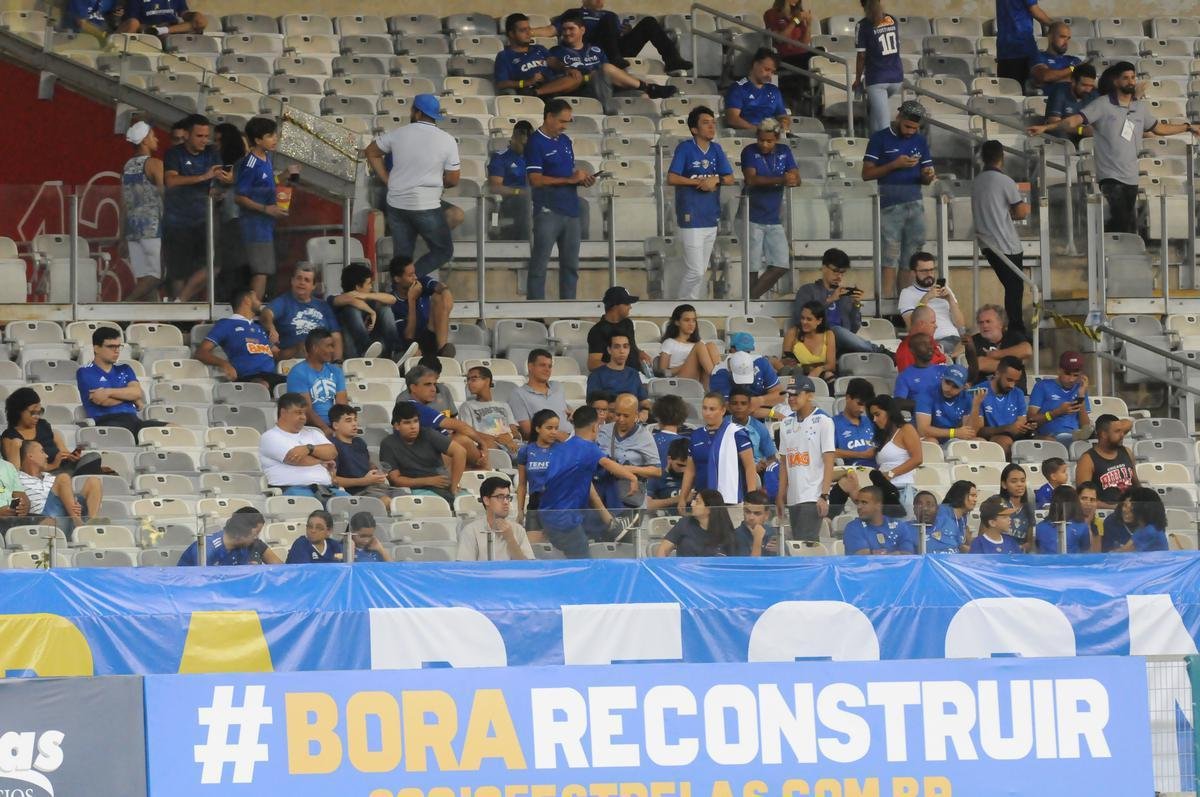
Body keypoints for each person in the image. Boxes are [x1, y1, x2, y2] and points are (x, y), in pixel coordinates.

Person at [1029, 62, 1200, 234]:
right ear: (1116, 81)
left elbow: (1159, 128)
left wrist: (1187, 127)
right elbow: (1073, 121)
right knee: (1122, 220)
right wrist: (1046, 128)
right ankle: (1106, 250)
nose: (1131, 81)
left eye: (1133, 77)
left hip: (1131, 176)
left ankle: (1108, 248)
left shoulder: (1139, 107)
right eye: (1125, 78)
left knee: (1127, 224)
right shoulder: (1102, 104)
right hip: (1110, 176)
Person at [366, 94, 459, 276]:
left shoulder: (399, 134)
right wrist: (439, 183)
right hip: (426, 205)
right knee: (443, 251)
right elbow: (453, 179)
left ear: (417, 113)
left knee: (402, 258)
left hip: (396, 204)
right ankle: (411, 279)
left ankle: (399, 292)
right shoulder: (447, 139)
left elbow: (371, 151)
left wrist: (387, 178)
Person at [539, 406, 640, 557]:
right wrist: (632, 477)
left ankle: (613, 525)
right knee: (582, 561)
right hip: (565, 519)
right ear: (595, 427)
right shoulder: (588, 448)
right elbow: (608, 464)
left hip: (547, 514)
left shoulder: (561, 448)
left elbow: (588, 487)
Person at [863, 103, 935, 298]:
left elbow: (926, 177)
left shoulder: (920, 141)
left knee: (910, 258)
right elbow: (866, 173)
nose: (910, 132)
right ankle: (886, 306)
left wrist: (928, 175)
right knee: (890, 256)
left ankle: (905, 304)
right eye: (907, 127)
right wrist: (894, 164)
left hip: (915, 202)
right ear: (898, 118)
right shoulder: (880, 138)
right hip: (889, 204)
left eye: (914, 128)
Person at [524, 98, 592, 301]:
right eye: (562, 121)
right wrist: (569, 179)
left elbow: (566, 173)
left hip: (571, 210)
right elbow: (535, 179)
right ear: (549, 117)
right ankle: (535, 312)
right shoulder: (535, 142)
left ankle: (569, 310)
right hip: (548, 210)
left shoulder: (565, 141)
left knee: (571, 265)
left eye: (568, 122)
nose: (564, 126)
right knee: (540, 263)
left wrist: (581, 180)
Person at [668, 106, 735, 300]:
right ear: (694, 129)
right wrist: (698, 182)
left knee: (701, 270)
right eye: (706, 123)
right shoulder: (685, 148)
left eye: (713, 122)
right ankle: (681, 305)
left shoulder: (716, 149)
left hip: (711, 216)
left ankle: (692, 304)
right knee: (696, 270)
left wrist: (716, 179)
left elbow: (729, 178)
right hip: (691, 215)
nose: (712, 126)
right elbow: (672, 178)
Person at [163, 114, 232, 301]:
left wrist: (224, 185)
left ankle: (180, 303)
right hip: (178, 220)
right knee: (179, 272)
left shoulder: (212, 153)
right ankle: (178, 317)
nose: (204, 140)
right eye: (199, 136)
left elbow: (218, 180)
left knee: (214, 265)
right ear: (187, 135)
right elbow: (170, 181)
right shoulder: (174, 154)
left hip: (204, 218)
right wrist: (203, 177)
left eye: (206, 136)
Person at [548, 11, 676, 107]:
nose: (567, 33)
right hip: (583, 91)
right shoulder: (556, 51)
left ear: (582, 30)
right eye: (564, 29)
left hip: (608, 89)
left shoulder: (596, 50)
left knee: (642, 97)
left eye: (571, 29)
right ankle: (649, 87)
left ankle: (646, 92)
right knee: (606, 68)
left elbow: (612, 76)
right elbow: (560, 79)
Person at [539, 0, 692, 73]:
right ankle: (614, 58)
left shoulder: (610, 15)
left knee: (649, 22)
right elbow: (551, 30)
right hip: (594, 51)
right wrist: (529, 31)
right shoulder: (574, 14)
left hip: (618, 50)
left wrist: (626, 33)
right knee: (608, 19)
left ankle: (672, 60)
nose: (600, 0)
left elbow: (615, 34)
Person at [972, 143, 1031, 334]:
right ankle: (1016, 330)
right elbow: (1021, 212)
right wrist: (1014, 213)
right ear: (1001, 157)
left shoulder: (977, 181)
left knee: (1011, 288)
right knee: (1015, 289)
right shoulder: (1005, 181)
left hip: (986, 243)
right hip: (1006, 244)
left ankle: (1014, 328)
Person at [741, 118, 799, 298]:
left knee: (781, 264)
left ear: (777, 139)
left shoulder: (785, 151)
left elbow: (796, 178)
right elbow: (751, 179)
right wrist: (782, 179)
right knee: (752, 266)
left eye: (769, 141)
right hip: (751, 216)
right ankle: (749, 305)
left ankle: (750, 299)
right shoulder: (749, 151)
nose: (764, 144)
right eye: (761, 140)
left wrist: (792, 179)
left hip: (773, 217)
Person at [233, 117, 289, 301]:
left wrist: (284, 177)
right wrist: (267, 209)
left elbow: (266, 184)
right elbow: (240, 197)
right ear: (257, 140)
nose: (275, 139)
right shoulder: (250, 164)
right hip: (254, 227)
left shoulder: (267, 158)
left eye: (275, 134)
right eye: (270, 136)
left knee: (264, 270)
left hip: (266, 226)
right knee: (261, 271)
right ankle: (252, 313)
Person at [76, 327, 165, 437]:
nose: (116, 351)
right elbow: (102, 401)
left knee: (173, 428)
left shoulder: (125, 368)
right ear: (96, 348)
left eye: (118, 346)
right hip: (108, 423)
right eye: (111, 346)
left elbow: (137, 393)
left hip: (134, 421)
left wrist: (107, 392)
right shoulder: (85, 372)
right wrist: (129, 397)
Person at [400, 365, 495, 468]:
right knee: (462, 441)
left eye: (434, 385)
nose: (434, 389)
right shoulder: (413, 407)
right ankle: (484, 470)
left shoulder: (421, 407)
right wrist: (481, 442)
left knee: (464, 448)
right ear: (413, 388)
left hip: (433, 458)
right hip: (422, 463)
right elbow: (459, 425)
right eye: (428, 385)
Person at [775, 378, 834, 542]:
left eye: (796, 394)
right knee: (798, 544)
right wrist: (781, 495)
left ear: (810, 396)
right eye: (789, 395)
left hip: (813, 496)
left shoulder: (824, 420)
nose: (791, 398)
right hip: (793, 496)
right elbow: (784, 462)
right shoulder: (786, 423)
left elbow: (829, 460)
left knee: (805, 544)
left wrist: (824, 495)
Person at [679, 391, 759, 510]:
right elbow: (690, 471)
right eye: (705, 408)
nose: (707, 413)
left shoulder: (736, 433)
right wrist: (682, 498)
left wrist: (751, 499)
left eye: (712, 409)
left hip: (731, 500)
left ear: (722, 410)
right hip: (702, 501)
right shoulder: (696, 435)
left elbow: (750, 467)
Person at [792, 247, 879, 355]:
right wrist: (830, 300)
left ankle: (877, 351)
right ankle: (879, 350)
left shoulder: (845, 296)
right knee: (835, 330)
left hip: (843, 345)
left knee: (839, 332)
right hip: (818, 341)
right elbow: (799, 320)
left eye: (842, 273)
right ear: (824, 268)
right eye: (835, 271)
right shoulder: (808, 290)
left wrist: (856, 306)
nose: (839, 276)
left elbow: (853, 329)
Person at [259, 393, 346, 501]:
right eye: (298, 413)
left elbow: (332, 452)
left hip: (328, 489)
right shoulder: (270, 437)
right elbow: (297, 460)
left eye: (304, 413)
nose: (303, 417)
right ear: (283, 412)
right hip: (292, 491)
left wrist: (309, 448)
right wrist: (321, 460)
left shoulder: (313, 433)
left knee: (355, 508)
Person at [196, 287, 285, 389]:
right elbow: (201, 352)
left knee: (294, 383)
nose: (260, 302)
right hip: (248, 378)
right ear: (247, 300)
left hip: (271, 377)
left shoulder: (258, 327)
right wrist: (224, 364)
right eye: (256, 298)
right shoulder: (226, 324)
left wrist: (298, 348)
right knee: (262, 386)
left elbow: (277, 353)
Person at [379, 401, 466, 505]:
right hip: (413, 490)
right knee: (437, 504)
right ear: (397, 426)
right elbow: (395, 480)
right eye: (407, 422)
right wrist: (428, 481)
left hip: (442, 485)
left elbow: (460, 452)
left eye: (415, 421)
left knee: (468, 502)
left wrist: (454, 485)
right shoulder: (388, 444)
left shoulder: (428, 433)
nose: (413, 426)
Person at [595, 393, 661, 521]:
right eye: (617, 414)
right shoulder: (603, 431)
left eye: (626, 415)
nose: (620, 419)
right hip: (603, 498)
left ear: (636, 415)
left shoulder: (644, 436)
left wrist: (628, 469)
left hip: (631, 498)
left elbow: (657, 471)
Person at [120, 121, 164, 302]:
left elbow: (123, 202)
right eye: (153, 136)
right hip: (152, 227)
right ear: (145, 140)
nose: (157, 139)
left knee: (145, 277)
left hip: (132, 228)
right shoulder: (154, 164)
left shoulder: (127, 167)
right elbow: (163, 195)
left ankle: (158, 320)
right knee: (156, 275)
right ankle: (125, 305)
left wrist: (122, 234)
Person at [260, 265, 343, 361]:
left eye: (307, 280)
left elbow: (336, 337)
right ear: (292, 281)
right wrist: (271, 327)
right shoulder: (283, 302)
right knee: (304, 346)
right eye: (299, 278)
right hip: (295, 359)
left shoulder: (323, 306)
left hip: (323, 359)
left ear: (313, 286)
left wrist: (337, 362)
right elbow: (266, 313)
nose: (302, 283)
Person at [495, 14, 583, 98]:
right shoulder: (504, 56)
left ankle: (537, 92)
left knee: (576, 77)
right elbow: (501, 83)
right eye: (523, 30)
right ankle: (537, 93)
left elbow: (553, 62)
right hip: (527, 88)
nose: (528, 33)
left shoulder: (539, 48)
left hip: (550, 85)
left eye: (529, 29)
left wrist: (567, 69)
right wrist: (526, 82)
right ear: (511, 34)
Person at [17, 440, 101, 528]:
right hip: (44, 518)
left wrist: (76, 505)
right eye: (42, 452)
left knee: (94, 482)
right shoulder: (17, 477)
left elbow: (69, 499)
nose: (47, 456)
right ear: (30, 456)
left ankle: (92, 524)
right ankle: (79, 525)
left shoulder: (51, 477)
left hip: (66, 515)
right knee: (64, 478)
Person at [3, 387, 88, 473]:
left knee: (93, 458)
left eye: (39, 412)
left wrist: (72, 457)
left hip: (64, 468)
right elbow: (17, 473)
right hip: (45, 476)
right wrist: (53, 465)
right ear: (19, 411)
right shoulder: (11, 438)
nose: (37, 417)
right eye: (33, 412)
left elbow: (64, 453)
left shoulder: (43, 425)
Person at [329, 262, 401, 361]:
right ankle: (366, 347)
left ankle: (396, 350)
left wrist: (367, 295)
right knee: (351, 309)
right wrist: (372, 312)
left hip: (376, 350)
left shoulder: (369, 298)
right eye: (369, 284)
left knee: (385, 310)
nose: (371, 287)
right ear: (358, 287)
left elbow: (392, 299)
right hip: (353, 352)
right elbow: (350, 299)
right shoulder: (335, 299)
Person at [854, 0, 904, 135]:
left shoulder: (862, 25)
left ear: (863, 5)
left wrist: (857, 79)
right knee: (876, 117)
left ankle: (888, 153)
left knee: (883, 125)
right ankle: (873, 148)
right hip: (896, 76)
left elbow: (861, 56)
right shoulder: (891, 19)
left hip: (877, 78)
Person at [285, 328, 348, 437]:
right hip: (309, 428)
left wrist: (340, 429)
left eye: (333, 346)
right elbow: (305, 410)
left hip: (334, 426)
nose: (332, 350)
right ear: (315, 348)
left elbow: (342, 405)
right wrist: (325, 429)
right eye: (328, 346)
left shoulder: (336, 370)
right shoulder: (298, 372)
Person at [898, 252, 964, 354]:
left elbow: (961, 325)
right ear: (913, 273)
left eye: (932, 270)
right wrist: (926, 298)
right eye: (924, 271)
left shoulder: (945, 290)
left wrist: (950, 300)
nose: (929, 274)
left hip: (956, 339)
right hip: (933, 341)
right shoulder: (907, 293)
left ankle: (954, 355)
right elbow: (912, 327)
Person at [389, 258, 455, 359]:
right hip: (410, 344)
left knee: (438, 295)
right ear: (397, 278)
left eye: (414, 273)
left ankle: (443, 350)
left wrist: (446, 291)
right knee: (413, 348)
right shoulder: (392, 301)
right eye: (410, 275)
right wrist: (412, 300)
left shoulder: (421, 282)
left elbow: (439, 287)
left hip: (429, 334)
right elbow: (409, 336)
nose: (415, 277)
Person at [457, 476, 535, 562]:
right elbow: (465, 568)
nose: (506, 502)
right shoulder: (471, 531)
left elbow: (528, 568)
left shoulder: (518, 530)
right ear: (486, 500)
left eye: (508, 497)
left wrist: (510, 539)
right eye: (500, 497)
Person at [868, 394, 922, 514]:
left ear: (889, 412)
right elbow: (866, 454)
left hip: (902, 490)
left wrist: (891, 474)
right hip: (883, 491)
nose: (874, 420)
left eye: (877, 414)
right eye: (872, 416)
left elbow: (917, 459)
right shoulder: (883, 436)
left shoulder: (906, 429)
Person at [328, 404, 392, 502]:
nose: (354, 424)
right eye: (349, 420)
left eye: (355, 420)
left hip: (374, 487)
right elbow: (333, 480)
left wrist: (376, 473)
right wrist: (363, 481)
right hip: (355, 493)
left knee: (405, 498)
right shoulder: (331, 446)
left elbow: (368, 465)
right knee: (387, 502)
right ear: (335, 425)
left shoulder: (359, 442)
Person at [709, 332, 783, 414]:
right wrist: (772, 414)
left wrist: (760, 400)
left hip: (765, 413)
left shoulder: (761, 362)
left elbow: (780, 395)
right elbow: (734, 409)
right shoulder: (719, 373)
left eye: (748, 351)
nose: (744, 355)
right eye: (740, 351)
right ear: (732, 350)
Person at [177, 507, 280, 566]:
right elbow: (202, 583)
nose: (256, 538)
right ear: (241, 533)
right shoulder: (206, 549)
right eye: (255, 534)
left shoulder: (247, 546)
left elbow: (280, 568)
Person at [1074, 413, 1137, 507]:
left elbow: (1136, 483)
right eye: (1117, 431)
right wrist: (1113, 508)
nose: (1122, 435)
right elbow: (1084, 499)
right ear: (1103, 434)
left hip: (1131, 509)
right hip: (1106, 513)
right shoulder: (1087, 460)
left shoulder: (1127, 452)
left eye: (1122, 431)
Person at [509, 349, 574, 440]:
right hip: (549, 443)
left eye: (550, 366)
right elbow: (527, 431)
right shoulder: (518, 394)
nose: (547, 370)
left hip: (573, 437)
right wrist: (558, 435)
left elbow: (565, 409)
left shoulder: (558, 386)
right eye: (542, 365)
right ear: (530, 366)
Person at [728, 386, 780, 500]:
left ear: (749, 406)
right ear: (728, 406)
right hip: (728, 472)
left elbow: (772, 457)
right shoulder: (723, 425)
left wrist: (764, 464)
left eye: (743, 403)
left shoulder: (759, 428)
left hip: (756, 474)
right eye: (735, 403)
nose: (739, 407)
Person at [488, 119, 535, 242]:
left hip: (538, 198)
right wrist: (519, 192)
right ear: (514, 138)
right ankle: (527, 246)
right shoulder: (500, 157)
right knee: (525, 200)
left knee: (580, 203)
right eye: (524, 145)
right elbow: (495, 187)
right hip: (511, 200)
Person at [1028, 351, 1090, 445]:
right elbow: (1031, 419)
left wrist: (1081, 396)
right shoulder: (1042, 386)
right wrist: (1056, 412)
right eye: (1067, 374)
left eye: (1076, 375)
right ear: (1059, 370)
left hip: (1074, 437)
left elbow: (1085, 427)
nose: (1071, 379)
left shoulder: (1080, 388)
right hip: (1049, 437)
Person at [763, 0, 813, 114]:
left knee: (819, 54)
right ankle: (802, 93)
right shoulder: (772, 14)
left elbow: (804, 43)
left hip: (800, 56)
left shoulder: (798, 13)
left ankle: (809, 94)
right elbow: (779, 39)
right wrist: (795, 21)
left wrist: (809, 24)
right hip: (784, 56)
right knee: (808, 60)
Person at [915, 364, 985, 444]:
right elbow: (923, 430)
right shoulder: (927, 393)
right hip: (931, 439)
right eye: (947, 382)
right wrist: (954, 432)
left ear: (964, 387)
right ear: (942, 378)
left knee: (980, 442)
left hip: (956, 440)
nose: (948, 389)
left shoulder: (968, 397)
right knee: (932, 441)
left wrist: (976, 405)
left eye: (955, 386)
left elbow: (970, 432)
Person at [460, 366, 521, 457]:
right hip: (489, 445)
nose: (469, 383)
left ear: (487, 381)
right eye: (468, 380)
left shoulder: (504, 405)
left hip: (510, 443)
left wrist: (510, 438)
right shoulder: (467, 406)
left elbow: (514, 429)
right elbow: (468, 432)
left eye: (473, 379)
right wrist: (496, 439)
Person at [655, 489, 737, 557]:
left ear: (709, 508)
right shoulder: (685, 523)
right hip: (684, 573)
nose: (692, 504)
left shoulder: (725, 530)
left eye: (697, 502)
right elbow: (663, 549)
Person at [725, 48, 791, 133]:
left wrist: (784, 122)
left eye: (772, 72)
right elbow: (732, 119)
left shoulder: (774, 90)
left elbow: (782, 115)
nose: (769, 75)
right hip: (748, 136)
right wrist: (758, 130)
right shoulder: (738, 88)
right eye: (767, 69)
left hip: (772, 136)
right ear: (755, 64)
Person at [978, 355, 1032, 457]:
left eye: (1016, 381)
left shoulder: (1018, 393)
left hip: (1014, 439)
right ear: (997, 373)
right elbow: (979, 431)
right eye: (1009, 380)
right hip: (990, 439)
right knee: (1005, 441)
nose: (1012, 385)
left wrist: (1026, 428)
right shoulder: (979, 392)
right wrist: (1006, 428)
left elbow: (1020, 423)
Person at [516, 409, 560, 530]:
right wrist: (520, 510)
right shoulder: (526, 451)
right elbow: (522, 484)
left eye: (556, 428)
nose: (554, 432)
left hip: (557, 504)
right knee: (534, 545)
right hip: (535, 504)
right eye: (549, 428)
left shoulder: (563, 450)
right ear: (538, 428)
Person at [843, 485, 918, 555]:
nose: (859, 507)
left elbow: (908, 554)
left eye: (864, 502)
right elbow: (863, 557)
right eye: (857, 502)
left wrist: (876, 553)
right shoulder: (853, 527)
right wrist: (895, 554)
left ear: (878, 505)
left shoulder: (899, 526)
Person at [658, 304, 722, 385]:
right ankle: (718, 379)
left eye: (694, 320)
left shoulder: (700, 342)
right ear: (677, 322)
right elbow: (662, 373)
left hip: (701, 380)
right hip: (680, 381)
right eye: (687, 320)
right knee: (700, 346)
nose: (691, 324)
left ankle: (719, 377)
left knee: (711, 345)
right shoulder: (669, 342)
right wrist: (687, 365)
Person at [588, 286, 648, 370]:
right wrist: (617, 369)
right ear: (615, 306)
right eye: (627, 304)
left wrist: (640, 353)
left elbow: (632, 347)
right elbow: (593, 363)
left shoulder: (627, 323)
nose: (630, 307)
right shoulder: (597, 331)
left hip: (635, 376)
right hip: (613, 379)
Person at [994, 0, 1053, 86]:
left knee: (1008, 92)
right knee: (1019, 92)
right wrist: (1055, 25)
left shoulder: (1072, 61)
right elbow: (1035, 11)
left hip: (1004, 50)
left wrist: (1073, 68)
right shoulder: (1071, 64)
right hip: (1022, 47)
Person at [969, 304, 1032, 381]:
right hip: (985, 390)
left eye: (988, 321)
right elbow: (980, 364)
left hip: (1015, 390)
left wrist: (996, 354)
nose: (984, 325)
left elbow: (1027, 350)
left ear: (1001, 323)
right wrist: (1013, 366)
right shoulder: (974, 340)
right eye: (981, 322)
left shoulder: (1013, 336)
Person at [780, 300, 837, 383]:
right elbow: (784, 362)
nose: (804, 322)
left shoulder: (828, 334)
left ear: (819, 321)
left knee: (829, 375)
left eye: (809, 319)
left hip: (819, 375)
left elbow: (831, 365)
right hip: (797, 374)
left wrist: (819, 369)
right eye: (802, 318)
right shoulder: (792, 333)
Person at [586, 334, 649, 407]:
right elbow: (594, 405)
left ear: (629, 350)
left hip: (633, 415)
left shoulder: (633, 373)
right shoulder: (597, 375)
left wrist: (645, 411)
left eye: (625, 347)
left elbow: (644, 401)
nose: (622, 351)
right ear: (609, 350)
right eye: (617, 347)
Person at [1034, 485, 1091, 554]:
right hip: (1073, 564)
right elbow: (1085, 551)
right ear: (1075, 503)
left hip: (1047, 564)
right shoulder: (1082, 527)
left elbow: (1038, 550)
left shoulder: (1040, 527)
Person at [1030, 22, 1079, 102]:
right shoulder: (1039, 57)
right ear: (1050, 37)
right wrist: (1073, 69)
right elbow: (1045, 76)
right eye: (1062, 37)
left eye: (1068, 38)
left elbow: (1083, 82)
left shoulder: (1074, 60)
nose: (1066, 42)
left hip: (1073, 103)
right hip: (1050, 102)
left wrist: (1055, 78)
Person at [834, 377, 877, 466]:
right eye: (859, 404)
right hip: (852, 472)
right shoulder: (833, 423)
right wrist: (862, 455)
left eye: (865, 405)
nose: (862, 409)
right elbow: (828, 452)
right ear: (848, 398)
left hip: (879, 470)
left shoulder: (871, 421)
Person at [925, 480, 977, 554]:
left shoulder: (963, 517)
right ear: (960, 495)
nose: (975, 500)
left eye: (976, 496)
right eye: (972, 495)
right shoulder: (941, 512)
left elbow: (959, 545)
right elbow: (935, 540)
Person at [892, 333, 943, 403]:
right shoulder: (905, 377)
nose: (929, 347)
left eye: (930, 343)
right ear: (912, 350)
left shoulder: (944, 370)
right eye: (923, 344)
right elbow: (899, 402)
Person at [894, 305, 948, 372]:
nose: (936, 326)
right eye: (933, 322)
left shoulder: (929, 340)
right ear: (922, 324)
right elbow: (910, 380)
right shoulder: (906, 350)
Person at [1044, 63, 1097, 131]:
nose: (1088, 90)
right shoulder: (1059, 91)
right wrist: (1081, 131)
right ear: (1073, 82)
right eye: (1084, 85)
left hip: (1085, 139)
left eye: (1091, 86)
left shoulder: (1093, 94)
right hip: (1059, 139)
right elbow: (1053, 123)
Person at [1119, 486, 1169, 552]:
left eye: (1126, 506)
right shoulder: (1143, 528)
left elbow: (1124, 552)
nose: (1123, 510)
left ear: (1141, 508)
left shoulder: (1150, 531)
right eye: (1123, 505)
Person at [998, 463, 1036, 550]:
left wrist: (1023, 547)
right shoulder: (995, 503)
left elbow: (1029, 543)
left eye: (1023, 481)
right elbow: (984, 539)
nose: (1020, 484)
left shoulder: (1029, 508)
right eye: (1014, 481)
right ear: (1004, 484)